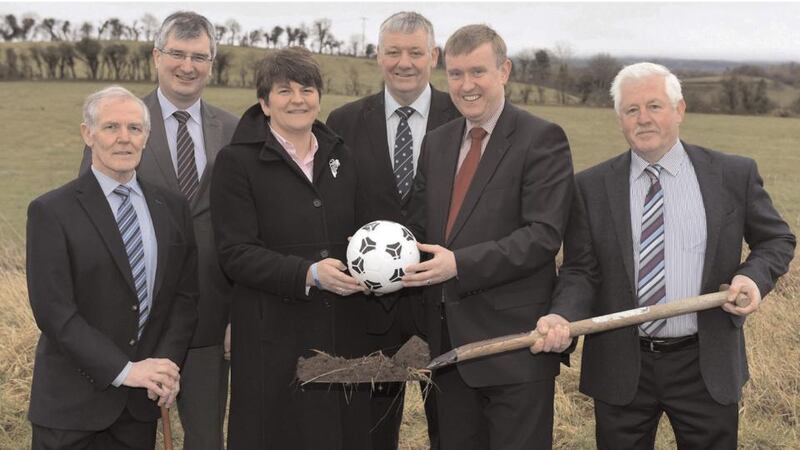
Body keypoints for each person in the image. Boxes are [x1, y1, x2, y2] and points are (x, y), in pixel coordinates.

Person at [535, 62, 796, 449]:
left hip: (704, 362)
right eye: (631, 110)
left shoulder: (731, 174)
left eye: (655, 106)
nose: (643, 119)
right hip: (621, 363)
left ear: (680, 110)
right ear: (620, 119)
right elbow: (580, 271)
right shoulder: (589, 187)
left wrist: (752, 279)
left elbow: (776, 240)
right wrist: (562, 315)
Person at [402, 24, 575, 450]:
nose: (466, 85)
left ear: (505, 71)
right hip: (446, 350)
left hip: (515, 347)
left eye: (478, 72)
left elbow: (542, 237)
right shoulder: (437, 143)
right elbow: (422, 228)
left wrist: (459, 264)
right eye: (456, 74)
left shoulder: (542, 138)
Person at [77, 12, 238, 449]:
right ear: (156, 57)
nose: (188, 66)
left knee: (206, 436)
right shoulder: (121, 121)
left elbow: (244, 229)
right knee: (130, 435)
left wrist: (236, 314)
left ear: (211, 63)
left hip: (209, 320)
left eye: (199, 56)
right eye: (177, 54)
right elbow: (93, 221)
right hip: (135, 325)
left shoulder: (235, 130)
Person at [210, 47, 373, 450]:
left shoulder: (342, 158)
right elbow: (235, 253)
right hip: (272, 337)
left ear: (320, 97)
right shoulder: (236, 162)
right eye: (284, 91)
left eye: (307, 89)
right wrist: (308, 274)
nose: (297, 99)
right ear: (264, 103)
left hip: (340, 334)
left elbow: (361, 232)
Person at [27, 86, 198, 450]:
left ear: (146, 137)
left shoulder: (171, 207)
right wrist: (126, 371)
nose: (124, 138)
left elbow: (184, 298)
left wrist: (163, 367)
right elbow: (55, 312)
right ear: (87, 134)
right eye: (111, 127)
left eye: (135, 128)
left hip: (137, 411)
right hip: (70, 413)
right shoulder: (51, 211)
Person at [326, 11, 459, 449]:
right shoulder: (343, 122)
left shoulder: (461, 116)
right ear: (378, 55)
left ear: (433, 56)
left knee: (453, 428)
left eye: (416, 52)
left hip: (443, 305)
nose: (405, 62)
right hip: (368, 309)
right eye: (393, 51)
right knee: (369, 432)